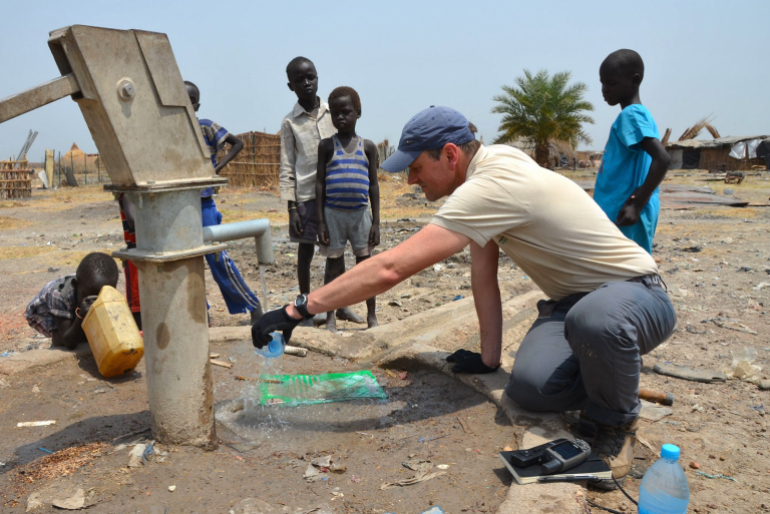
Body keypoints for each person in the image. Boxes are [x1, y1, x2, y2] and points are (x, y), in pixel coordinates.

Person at [253, 106, 676, 490]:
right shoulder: (492, 168)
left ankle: (615, 427)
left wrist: (298, 309)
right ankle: (613, 374)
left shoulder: (491, 186)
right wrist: (489, 359)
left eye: (417, 167)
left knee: (595, 323)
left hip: (635, 294)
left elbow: (389, 269)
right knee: (529, 391)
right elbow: (482, 273)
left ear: (451, 155)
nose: (412, 180)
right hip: (573, 304)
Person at [279, 57, 364, 327]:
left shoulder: (335, 111)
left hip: (335, 194)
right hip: (305, 196)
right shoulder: (290, 123)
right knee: (306, 253)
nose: (306, 83)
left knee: (336, 254)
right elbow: (287, 165)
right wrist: (291, 207)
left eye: (311, 77)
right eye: (299, 80)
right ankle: (305, 307)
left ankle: (340, 306)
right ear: (290, 85)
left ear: (317, 78)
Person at [184, 80, 263, 324]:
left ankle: (252, 305)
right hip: (179, 205)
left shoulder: (206, 126)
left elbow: (237, 143)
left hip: (204, 202)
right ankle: (201, 315)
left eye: (190, 100)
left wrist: (218, 166)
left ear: (197, 104)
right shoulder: (168, 130)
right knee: (187, 263)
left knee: (218, 259)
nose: (186, 104)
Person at [316, 86, 380, 332]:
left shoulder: (368, 147)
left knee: (366, 267)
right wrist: (320, 222)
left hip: (361, 215)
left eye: (346, 112)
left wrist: (375, 222)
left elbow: (373, 186)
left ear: (358, 113)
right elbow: (319, 185)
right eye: (335, 113)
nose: (340, 117)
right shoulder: (327, 147)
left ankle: (371, 316)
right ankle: (331, 316)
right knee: (333, 267)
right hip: (333, 215)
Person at [594, 49, 671, 254]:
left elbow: (662, 159)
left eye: (611, 83)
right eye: (602, 83)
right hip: (625, 212)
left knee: (627, 276)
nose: (604, 89)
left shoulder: (631, 115)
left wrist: (637, 205)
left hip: (625, 213)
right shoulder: (639, 115)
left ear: (634, 81)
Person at [25, 252, 119, 350]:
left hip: (74, 302)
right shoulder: (60, 295)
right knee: (65, 339)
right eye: (90, 297)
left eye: (100, 297)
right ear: (75, 285)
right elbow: (69, 343)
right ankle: (58, 337)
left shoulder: (100, 286)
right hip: (42, 313)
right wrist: (81, 315)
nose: (95, 302)